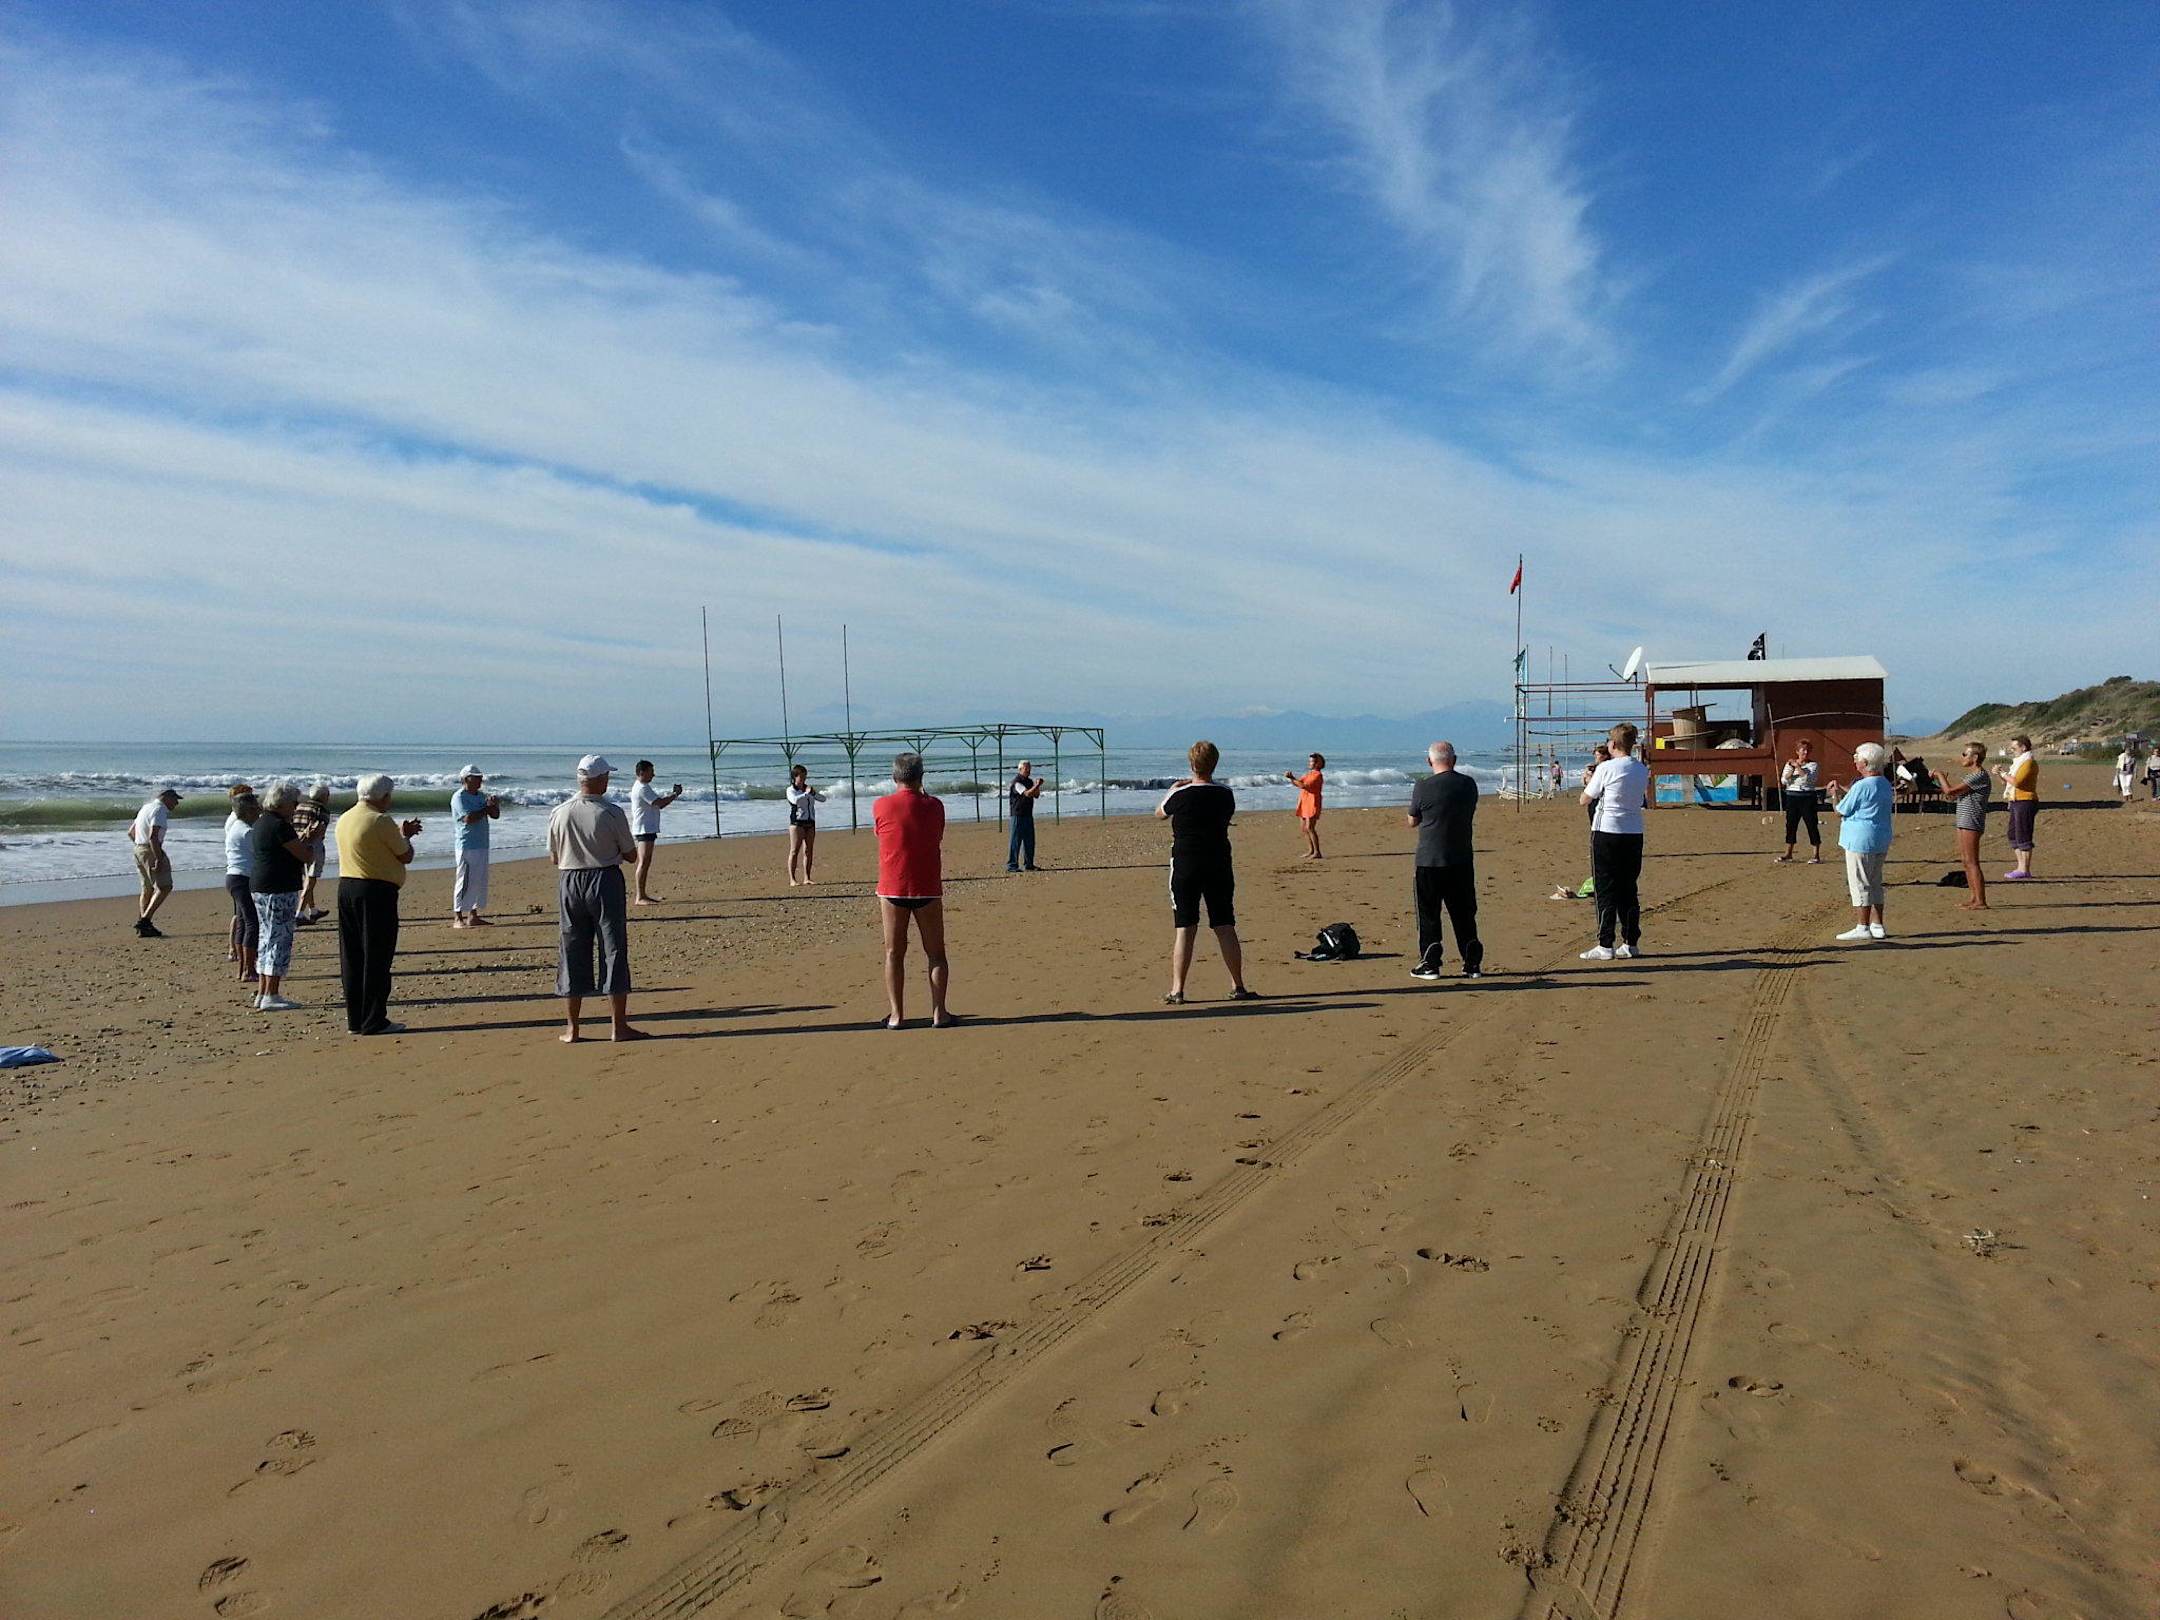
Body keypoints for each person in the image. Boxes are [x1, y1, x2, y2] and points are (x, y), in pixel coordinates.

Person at [549, 754, 644, 1042]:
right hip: (603, 878)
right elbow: (631, 854)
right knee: (612, 948)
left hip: (570, 879)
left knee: (572, 948)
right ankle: (618, 1025)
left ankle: (573, 1028)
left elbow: (554, 857)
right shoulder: (610, 812)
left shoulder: (559, 812)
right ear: (600, 779)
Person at [1158, 741, 1257, 1004]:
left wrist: (1173, 789)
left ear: (1192, 764)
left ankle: (1178, 989)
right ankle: (1238, 985)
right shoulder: (1225, 794)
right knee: (1225, 924)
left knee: (1185, 927)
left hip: (1186, 864)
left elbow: (1160, 813)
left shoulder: (1181, 793)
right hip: (1218, 862)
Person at [873, 752, 955, 1029]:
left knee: (894, 953)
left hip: (893, 885)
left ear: (894, 776)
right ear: (921, 776)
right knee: (936, 953)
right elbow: (937, 834)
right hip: (926, 885)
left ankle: (897, 1015)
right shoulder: (934, 805)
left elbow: (881, 833)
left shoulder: (882, 805)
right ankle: (939, 1012)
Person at [335, 775, 419, 1036]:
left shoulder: (344, 817)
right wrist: (406, 837)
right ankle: (374, 1019)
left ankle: (355, 1019)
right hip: (375, 890)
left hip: (347, 886)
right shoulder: (380, 820)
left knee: (352, 955)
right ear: (383, 797)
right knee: (377, 955)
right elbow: (405, 855)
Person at [1405, 741, 1483, 980]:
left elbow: (1412, 820)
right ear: (1454, 760)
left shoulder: (1423, 786)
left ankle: (1430, 961)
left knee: (1429, 913)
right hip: (1460, 858)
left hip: (1430, 859)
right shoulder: (1468, 784)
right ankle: (1471, 961)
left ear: (1429, 761)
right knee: (1463, 912)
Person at [1579, 724, 1650, 961]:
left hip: (1607, 830)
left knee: (1605, 887)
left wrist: (1589, 780)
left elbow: (1585, 798)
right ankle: (1630, 942)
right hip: (1633, 831)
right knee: (1628, 887)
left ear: (1613, 744)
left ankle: (1605, 944)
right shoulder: (1641, 769)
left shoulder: (1607, 767)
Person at [248, 781, 311, 1010]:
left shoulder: (261, 822)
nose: (295, 808)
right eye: (294, 803)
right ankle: (271, 994)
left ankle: (263, 992)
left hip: (261, 884)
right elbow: (305, 856)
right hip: (279, 886)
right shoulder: (280, 826)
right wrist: (310, 840)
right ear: (283, 803)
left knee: (267, 936)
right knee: (279, 939)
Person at [1826, 742, 1895, 941]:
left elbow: (1840, 811)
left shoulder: (1862, 785)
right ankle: (1877, 923)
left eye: (1857, 757)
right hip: (1880, 837)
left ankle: (1862, 926)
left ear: (1865, 762)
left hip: (1860, 839)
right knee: (1875, 882)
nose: (1855, 760)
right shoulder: (1884, 782)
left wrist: (1834, 796)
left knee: (1860, 883)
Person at [1940, 741, 1991, 910]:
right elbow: (1953, 795)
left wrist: (1940, 776)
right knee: (1965, 861)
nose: (1962, 757)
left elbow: (1950, 791)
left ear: (1975, 757)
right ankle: (1974, 898)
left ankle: (1980, 900)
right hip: (1964, 820)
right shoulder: (1971, 776)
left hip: (1971, 821)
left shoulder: (1979, 775)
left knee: (1972, 861)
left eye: (1965, 754)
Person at [449, 766, 501, 927]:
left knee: (478, 880)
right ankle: (458, 916)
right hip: (467, 844)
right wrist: (486, 808)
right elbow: (468, 818)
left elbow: (495, 815)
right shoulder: (459, 797)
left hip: (482, 843)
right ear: (466, 779)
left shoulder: (481, 796)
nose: (479, 780)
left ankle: (473, 915)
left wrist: (493, 805)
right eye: (475, 777)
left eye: (480, 777)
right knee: (464, 880)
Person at [629, 760, 685, 905]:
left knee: (646, 861)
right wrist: (675, 794)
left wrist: (673, 795)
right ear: (642, 772)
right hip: (644, 828)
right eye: (651, 772)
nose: (653, 775)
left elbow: (658, 803)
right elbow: (659, 803)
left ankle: (642, 895)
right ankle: (640, 896)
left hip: (646, 827)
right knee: (644, 861)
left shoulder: (643, 787)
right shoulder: (642, 788)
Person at [128, 786, 181, 937]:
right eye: (175, 799)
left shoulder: (146, 808)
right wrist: (158, 858)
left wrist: (140, 846)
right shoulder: (159, 810)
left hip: (138, 849)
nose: (176, 803)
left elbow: (131, 832)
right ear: (166, 798)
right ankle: (145, 921)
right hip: (150, 849)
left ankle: (143, 926)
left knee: (147, 888)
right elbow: (153, 837)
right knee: (165, 886)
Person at [223, 786, 262, 986]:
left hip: (235, 877)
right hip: (243, 878)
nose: (259, 811)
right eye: (256, 809)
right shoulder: (247, 831)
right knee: (252, 922)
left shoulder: (237, 826)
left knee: (243, 921)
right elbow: (262, 853)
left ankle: (243, 967)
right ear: (247, 811)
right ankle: (248, 969)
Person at [1997, 734, 2038, 880]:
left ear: (2023, 747)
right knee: (2013, 834)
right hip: (2015, 801)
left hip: (2025, 801)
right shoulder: (2018, 763)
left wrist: (2003, 773)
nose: (2011, 750)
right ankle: (2020, 867)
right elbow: (2007, 782)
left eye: (2014, 748)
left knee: (2023, 835)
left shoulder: (2028, 762)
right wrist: (1999, 774)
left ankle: (2024, 869)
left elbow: (2017, 782)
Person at [1776, 740, 1823, 864]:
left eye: (1808, 750)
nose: (1805, 753)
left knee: (1811, 824)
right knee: (1791, 825)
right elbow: (1784, 780)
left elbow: (1808, 780)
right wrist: (1792, 769)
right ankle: (1788, 853)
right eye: (1803, 750)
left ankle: (1816, 855)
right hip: (1792, 796)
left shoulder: (1813, 765)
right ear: (1797, 752)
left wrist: (1798, 767)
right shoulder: (1789, 765)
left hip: (1807, 797)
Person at [292, 781, 332, 924]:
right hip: (313, 845)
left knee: (306, 878)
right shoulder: (321, 810)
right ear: (323, 796)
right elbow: (320, 830)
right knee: (311, 879)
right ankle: (299, 913)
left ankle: (313, 910)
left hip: (296, 843)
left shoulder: (299, 806)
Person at [786, 764, 823, 885]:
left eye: (805, 776)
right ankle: (792, 879)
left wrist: (813, 793)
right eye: (801, 777)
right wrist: (806, 794)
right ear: (795, 777)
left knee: (808, 850)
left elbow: (823, 799)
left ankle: (807, 877)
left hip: (810, 822)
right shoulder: (791, 790)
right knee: (794, 850)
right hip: (797, 823)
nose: (803, 779)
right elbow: (794, 800)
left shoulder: (808, 789)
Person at [1006, 760, 1044, 873]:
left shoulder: (1029, 781)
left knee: (1029, 841)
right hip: (1018, 814)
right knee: (1015, 841)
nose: (1028, 770)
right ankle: (1012, 865)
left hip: (1028, 814)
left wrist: (1037, 786)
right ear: (1020, 769)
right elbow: (1027, 793)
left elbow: (1036, 795)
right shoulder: (1017, 782)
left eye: (1029, 768)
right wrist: (1037, 785)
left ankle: (1029, 864)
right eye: (1026, 768)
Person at [1287, 753, 1325, 860]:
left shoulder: (1318, 775)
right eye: (1310, 761)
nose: (1310, 763)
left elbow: (1304, 786)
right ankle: (1311, 850)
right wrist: (1291, 779)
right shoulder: (1309, 774)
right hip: (1304, 801)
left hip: (1312, 802)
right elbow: (1299, 783)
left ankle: (1317, 852)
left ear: (1318, 764)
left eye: (1312, 761)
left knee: (1310, 827)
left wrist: (1292, 778)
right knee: (1304, 828)